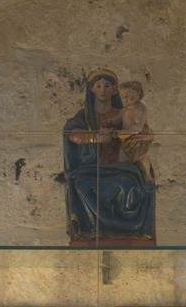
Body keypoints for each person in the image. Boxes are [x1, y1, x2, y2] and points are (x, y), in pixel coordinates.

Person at [62, 68, 155, 243]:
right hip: (92, 165)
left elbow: (143, 131)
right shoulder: (85, 116)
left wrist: (143, 137)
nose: (103, 90)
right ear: (91, 89)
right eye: (98, 86)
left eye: (107, 86)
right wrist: (95, 137)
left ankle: (129, 232)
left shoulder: (125, 112)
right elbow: (72, 134)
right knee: (82, 183)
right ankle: (89, 231)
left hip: (121, 164)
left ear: (114, 90)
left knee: (130, 184)